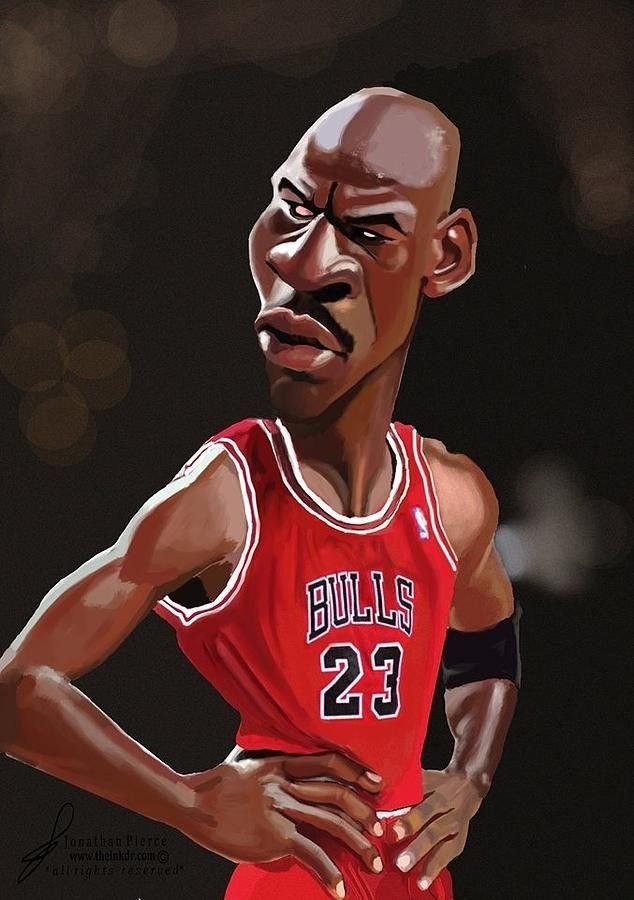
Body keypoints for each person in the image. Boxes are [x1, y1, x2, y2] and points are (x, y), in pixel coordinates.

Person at [0, 87, 520, 899]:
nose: (302, 263)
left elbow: (487, 643)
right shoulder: (227, 494)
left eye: (367, 231)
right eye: (293, 208)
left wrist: (470, 778)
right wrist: (187, 802)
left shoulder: (450, 495)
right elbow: (19, 687)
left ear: (445, 256)